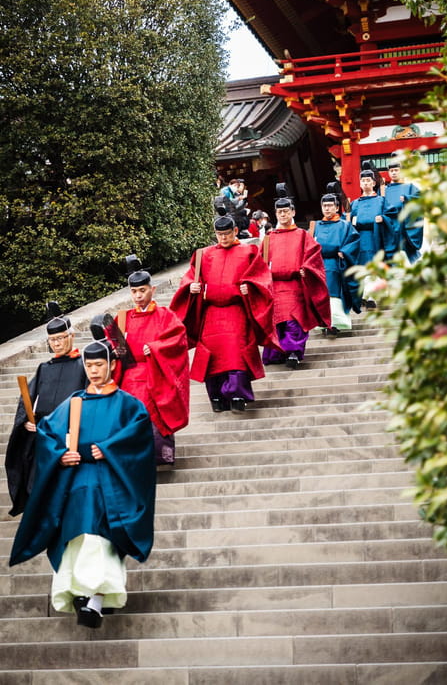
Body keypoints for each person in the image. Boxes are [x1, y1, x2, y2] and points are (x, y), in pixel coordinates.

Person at [9, 337, 156, 629]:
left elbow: (140, 437)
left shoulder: (128, 405)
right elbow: (48, 433)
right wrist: (61, 455)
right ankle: (83, 595)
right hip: (75, 485)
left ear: (112, 366)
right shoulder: (74, 402)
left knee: (99, 540)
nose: (94, 371)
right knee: (76, 540)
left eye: (99, 364)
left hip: (110, 485)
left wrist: (111, 448)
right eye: (89, 366)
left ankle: (96, 600)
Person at [170, 215, 279, 413]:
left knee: (236, 353)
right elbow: (190, 278)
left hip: (236, 311)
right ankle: (217, 396)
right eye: (219, 234)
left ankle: (237, 394)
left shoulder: (248, 252)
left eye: (227, 234)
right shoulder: (204, 254)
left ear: (235, 232)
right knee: (211, 356)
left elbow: (261, 277)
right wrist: (192, 287)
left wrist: (250, 288)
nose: (223, 238)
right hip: (210, 313)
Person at [5, 303, 87, 517]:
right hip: (43, 429)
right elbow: (27, 398)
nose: (57, 344)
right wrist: (25, 421)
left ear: (70, 337)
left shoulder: (83, 366)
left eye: (61, 338)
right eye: (53, 340)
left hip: (70, 430)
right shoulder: (44, 368)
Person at [114, 257, 190, 468]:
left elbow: (178, 339)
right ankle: (133, 459)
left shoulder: (165, 315)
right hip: (129, 376)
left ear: (152, 290)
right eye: (134, 292)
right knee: (130, 416)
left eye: (142, 291)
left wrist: (157, 347)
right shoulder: (123, 318)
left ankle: (160, 456)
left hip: (156, 373)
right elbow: (112, 346)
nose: (138, 296)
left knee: (156, 412)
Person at [262, 196, 330, 368]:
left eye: (286, 211)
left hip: (295, 286)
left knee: (294, 320)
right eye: (279, 212)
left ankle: (293, 352)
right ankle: (279, 352)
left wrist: (306, 269)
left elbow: (313, 255)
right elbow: (259, 262)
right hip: (275, 286)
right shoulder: (269, 237)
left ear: (293, 212)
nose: (283, 215)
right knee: (277, 321)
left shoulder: (302, 235)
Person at [313, 193, 362, 334]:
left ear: (336, 207)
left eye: (330, 206)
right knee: (321, 296)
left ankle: (335, 324)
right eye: (324, 206)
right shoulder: (316, 226)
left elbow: (354, 241)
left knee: (334, 295)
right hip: (319, 265)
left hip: (336, 264)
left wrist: (345, 252)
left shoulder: (345, 225)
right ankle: (323, 323)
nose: (327, 209)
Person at [349, 169, 395, 307]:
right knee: (362, 267)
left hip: (375, 237)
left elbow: (392, 216)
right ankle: (365, 294)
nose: (365, 183)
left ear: (374, 183)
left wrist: (383, 219)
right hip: (360, 239)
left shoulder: (381, 201)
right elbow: (350, 222)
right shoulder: (355, 203)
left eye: (368, 180)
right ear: (360, 184)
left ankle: (370, 297)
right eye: (363, 180)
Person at [383, 160, 423, 263]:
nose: (394, 173)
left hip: (404, 226)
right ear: (388, 173)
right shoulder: (384, 190)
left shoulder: (409, 187)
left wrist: (408, 198)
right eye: (391, 171)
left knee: (408, 251)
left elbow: (421, 198)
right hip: (389, 226)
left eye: (396, 170)